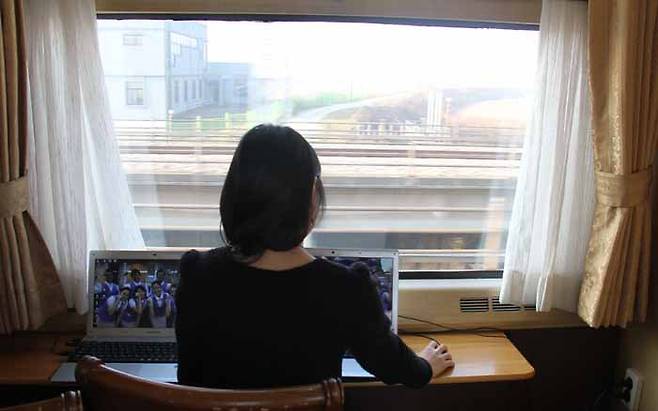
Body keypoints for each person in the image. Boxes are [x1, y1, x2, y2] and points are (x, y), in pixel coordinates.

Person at [176, 124, 454, 389]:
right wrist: (425, 366)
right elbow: (395, 368)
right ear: (310, 200)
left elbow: (189, 377)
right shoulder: (345, 288)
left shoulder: (197, 273)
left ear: (233, 195)